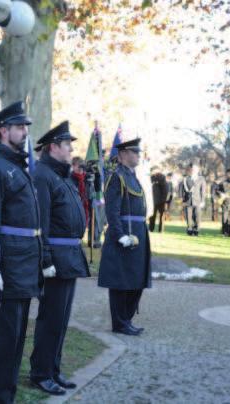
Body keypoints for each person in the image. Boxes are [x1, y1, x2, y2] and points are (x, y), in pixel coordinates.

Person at [0, 101, 42, 403]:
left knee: (17, 339)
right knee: (4, 341)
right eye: (20, 127)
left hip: (24, 265)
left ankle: (7, 395)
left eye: (26, 127)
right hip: (10, 266)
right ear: (3, 131)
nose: (25, 132)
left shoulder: (17, 167)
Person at [29, 122, 89, 395]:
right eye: (67, 145)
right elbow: (41, 220)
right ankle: (41, 372)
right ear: (53, 147)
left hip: (69, 255)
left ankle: (52, 367)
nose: (71, 149)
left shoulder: (61, 175)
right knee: (51, 319)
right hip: (56, 257)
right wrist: (45, 259)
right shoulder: (43, 175)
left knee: (61, 319)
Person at [98, 138, 151, 336]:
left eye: (138, 151)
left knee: (137, 280)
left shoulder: (133, 176)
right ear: (122, 155)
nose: (138, 154)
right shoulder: (117, 177)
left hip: (138, 233)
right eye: (134, 151)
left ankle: (126, 319)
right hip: (124, 235)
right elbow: (112, 211)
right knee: (121, 281)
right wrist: (119, 235)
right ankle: (120, 322)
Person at [179, 162, 206, 236]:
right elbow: (182, 189)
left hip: (198, 201)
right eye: (192, 169)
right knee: (188, 216)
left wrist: (203, 201)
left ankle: (196, 229)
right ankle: (189, 229)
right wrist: (181, 199)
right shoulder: (186, 179)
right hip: (188, 201)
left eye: (195, 169)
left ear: (198, 170)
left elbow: (203, 191)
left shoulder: (201, 179)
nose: (193, 170)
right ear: (191, 169)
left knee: (197, 216)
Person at [149, 166, 168, 232]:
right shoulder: (151, 177)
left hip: (161, 200)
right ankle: (151, 229)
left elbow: (165, 189)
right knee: (152, 216)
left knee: (161, 216)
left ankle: (160, 230)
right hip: (153, 200)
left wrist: (164, 200)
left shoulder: (162, 177)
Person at [71, 156, 90, 224]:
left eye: (81, 165)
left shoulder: (87, 177)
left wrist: (97, 176)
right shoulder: (70, 179)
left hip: (87, 209)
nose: (80, 168)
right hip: (76, 210)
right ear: (73, 166)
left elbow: (95, 191)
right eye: (77, 165)